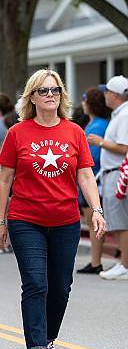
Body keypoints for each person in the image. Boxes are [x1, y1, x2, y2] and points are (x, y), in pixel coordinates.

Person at [0, 69, 106, 349]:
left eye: (55, 90)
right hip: (25, 219)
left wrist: (96, 210)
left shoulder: (74, 132)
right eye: (43, 91)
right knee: (35, 283)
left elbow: (85, 174)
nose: (50, 95)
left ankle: (49, 339)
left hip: (65, 220)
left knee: (60, 287)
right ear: (32, 97)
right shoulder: (17, 133)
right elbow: (5, 179)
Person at [87, 75, 128, 280]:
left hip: (118, 173)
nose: (104, 95)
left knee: (121, 222)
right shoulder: (119, 114)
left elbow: (124, 147)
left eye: (107, 92)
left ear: (114, 94)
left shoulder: (124, 115)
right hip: (112, 173)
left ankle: (125, 265)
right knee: (119, 221)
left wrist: (100, 142)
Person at [76, 88, 110, 274]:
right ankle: (95, 260)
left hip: (93, 179)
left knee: (93, 221)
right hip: (92, 178)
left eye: (85, 100)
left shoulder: (97, 126)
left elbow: (92, 157)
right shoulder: (95, 123)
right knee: (91, 222)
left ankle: (96, 261)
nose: (83, 104)